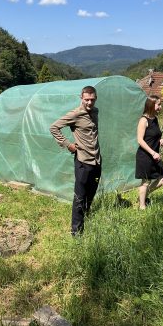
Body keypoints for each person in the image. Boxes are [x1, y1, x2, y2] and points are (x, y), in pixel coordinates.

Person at [50, 86, 101, 235]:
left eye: (92, 99)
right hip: (83, 161)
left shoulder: (95, 112)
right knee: (80, 197)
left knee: (91, 193)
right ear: (81, 98)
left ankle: (86, 217)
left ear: (96, 98)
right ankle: (77, 232)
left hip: (97, 160)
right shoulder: (76, 114)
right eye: (87, 100)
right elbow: (54, 127)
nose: (90, 103)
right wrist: (68, 145)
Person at [136, 94, 163, 209]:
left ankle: (142, 195)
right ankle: (142, 206)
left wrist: (160, 140)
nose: (160, 107)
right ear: (151, 105)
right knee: (145, 182)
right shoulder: (143, 120)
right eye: (158, 104)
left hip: (155, 155)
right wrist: (152, 152)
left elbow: (153, 135)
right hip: (145, 156)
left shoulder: (155, 119)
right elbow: (140, 140)